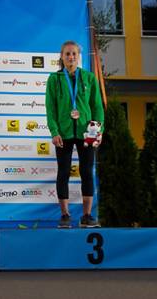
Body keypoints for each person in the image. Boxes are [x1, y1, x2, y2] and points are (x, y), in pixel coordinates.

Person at [45, 40, 104, 227]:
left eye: (74, 54)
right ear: (62, 57)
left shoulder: (89, 78)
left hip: (87, 131)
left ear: (79, 57)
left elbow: (97, 106)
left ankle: (87, 216)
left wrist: (98, 130)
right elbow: (50, 109)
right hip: (63, 133)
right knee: (63, 172)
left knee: (87, 171)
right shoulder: (54, 79)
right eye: (67, 54)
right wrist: (54, 131)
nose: (71, 57)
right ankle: (65, 215)